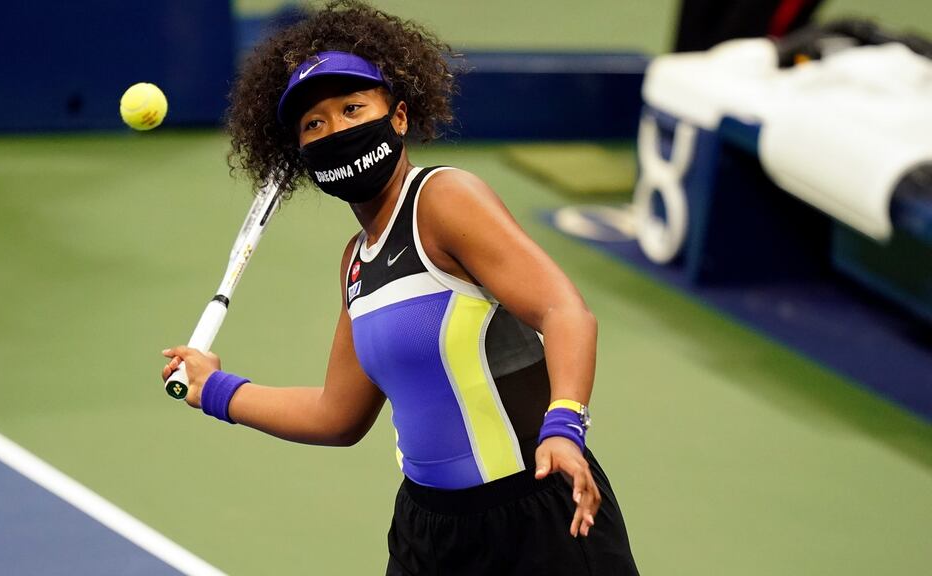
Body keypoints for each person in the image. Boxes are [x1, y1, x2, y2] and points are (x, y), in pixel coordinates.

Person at [162, 1, 638, 573]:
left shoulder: (444, 200)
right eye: (315, 123)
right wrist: (214, 389)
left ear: (401, 117)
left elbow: (565, 311)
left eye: (353, 107)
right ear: (303, 153)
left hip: (534, 513)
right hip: (427, 532)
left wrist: (564, 425)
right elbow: (337, 416)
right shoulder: (355, 264)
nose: (337, 128)